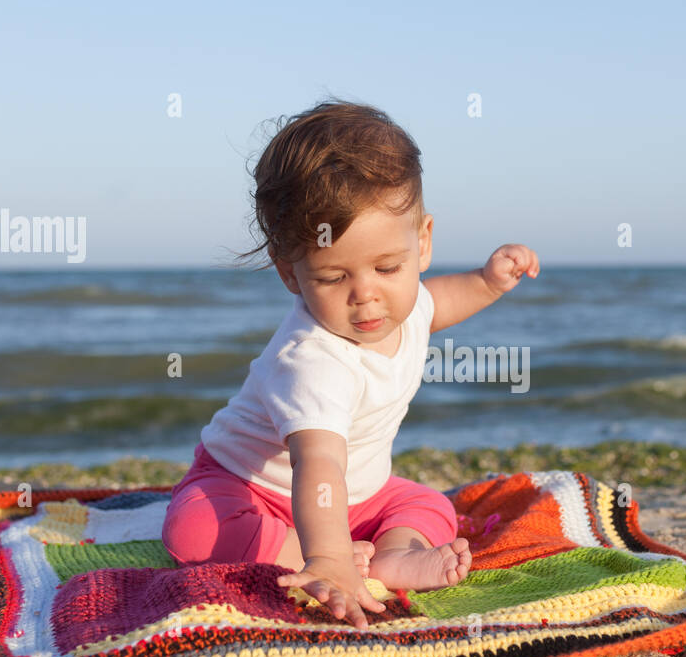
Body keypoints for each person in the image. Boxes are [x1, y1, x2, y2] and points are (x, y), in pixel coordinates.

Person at [161, 98, 540, 627]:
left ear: (423, 242)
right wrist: (331, 561)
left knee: (431, 505)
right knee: (193, 530)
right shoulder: (313, 360)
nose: (367, 297)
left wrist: (486, 281)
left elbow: (437, 304)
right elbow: (318, 464)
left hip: (358, 494)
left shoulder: (402, 304)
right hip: (252, 488)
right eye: (334, 278)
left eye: (387, 267)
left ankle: (394, 555)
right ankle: (308, 552)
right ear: (290, 274)